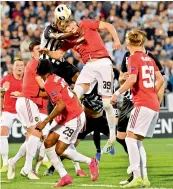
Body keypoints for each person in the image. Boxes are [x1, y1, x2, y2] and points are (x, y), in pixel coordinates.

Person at [40, 18, 121, 153]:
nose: (72, 30)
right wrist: (47, 52)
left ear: (74, 23)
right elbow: (58, 54)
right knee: (74, 95)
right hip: (88, 66)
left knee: (106, 104)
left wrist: (116, 40)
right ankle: (77, 122)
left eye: (72, 27)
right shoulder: (69, 40)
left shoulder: (86, 24)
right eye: (68, 30)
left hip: (103, 63)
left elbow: (108, 25)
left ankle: (112, 136)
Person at [111, 30, 164, 188]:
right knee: (137, 142)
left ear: (128, 42)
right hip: (153, 103)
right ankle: (144, 177)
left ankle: (137, 176)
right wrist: (151, 93)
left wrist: (117, 93)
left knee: (129, 139)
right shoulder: (149, 58)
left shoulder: (133, 57)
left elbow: (132, 79)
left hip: (142, 104)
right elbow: (160, 79)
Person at [36, 59, 99, 187]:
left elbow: (60, 105)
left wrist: (45, 121)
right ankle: (65, 177)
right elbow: (71, 94)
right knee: (48, 143)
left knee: (59, 150)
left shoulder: (49, 83)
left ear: (41, 72)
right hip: (67, 116)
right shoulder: (56, 78)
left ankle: (90, 161)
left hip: (72, 118)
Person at [8, 41, 46, 180]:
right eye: (37, 49)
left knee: (32, 137)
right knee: (36, 133)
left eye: (40, 48)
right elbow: (42, 86)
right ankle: (27, 168)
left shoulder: (35, 64)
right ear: (32, 52)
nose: (40, 50)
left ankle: (13, 161)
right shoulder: (35, 63)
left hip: (27, 102)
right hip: (28, 102)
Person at [0, 59, 24, 173]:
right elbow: (1, 94)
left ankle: (39, 157)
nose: (20, 67)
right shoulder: (6, 79)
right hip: (8, 111)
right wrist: (3, 90)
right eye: (17, 65)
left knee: (33, 134)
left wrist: (21, 95)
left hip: (22, 111)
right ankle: (5, 163)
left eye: (21, 65)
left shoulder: (27, 79)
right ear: (13, 67)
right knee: (3, 132)